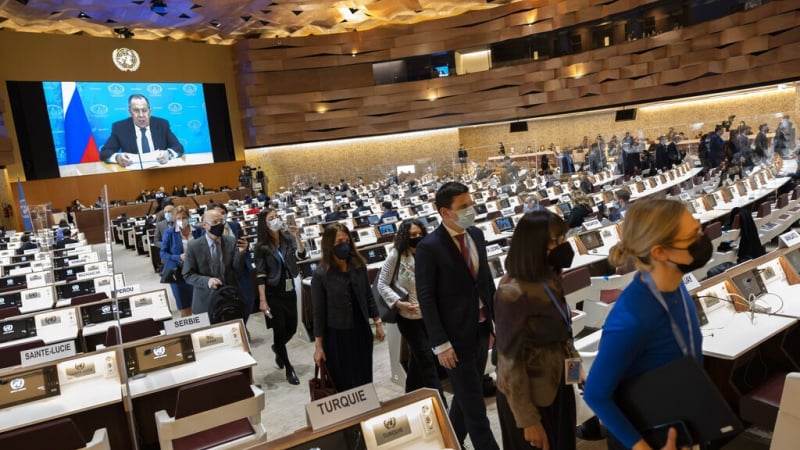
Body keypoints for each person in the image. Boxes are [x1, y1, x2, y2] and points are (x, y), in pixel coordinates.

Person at [584, 199, 710, 450]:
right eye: (693, 236)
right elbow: (595, 395)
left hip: (680, 420)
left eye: (699, 228)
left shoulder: (676, 285)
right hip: (650, 437)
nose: (702, 238)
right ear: (660, 252)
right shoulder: (630, 319)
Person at [416, 182, 500, 450]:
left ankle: (450, 441)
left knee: (466, 395)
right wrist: (440, 344)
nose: (470, 210)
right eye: (463, 207)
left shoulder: (475, 234)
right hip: (454, 339)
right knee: (476, 407)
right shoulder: (429, 247)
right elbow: (426, 298)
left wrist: (497, 322)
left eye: (470, 203)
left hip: (482, 329)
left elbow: (485, 282)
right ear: (445, 212)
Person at [495, 210, 579, 450]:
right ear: (535, 245)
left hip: (557, 386)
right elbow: (509, 362)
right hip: (529, 397)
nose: (564, 245)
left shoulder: (550, 277)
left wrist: (575, 372)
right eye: (557, 240)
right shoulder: (512, 292)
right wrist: (528, 420)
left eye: (565, 237)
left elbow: (564, 332)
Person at [311, 223, 385, 391]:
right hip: (337, 335)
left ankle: (366, 411)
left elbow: (368, 295)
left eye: (347, 240)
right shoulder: (321, 274)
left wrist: (378, 323)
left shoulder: (358, 266)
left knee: (364, 376)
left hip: (361, 331)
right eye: (339, 242)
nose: (344, 245)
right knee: (344, 381)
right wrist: (318, 346)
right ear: (329, 245)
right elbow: (318, 313)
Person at [377, 219, 445, 400]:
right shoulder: (396, 255)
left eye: (419, 234)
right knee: (427, 359)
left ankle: (411, 392)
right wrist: (399, 303)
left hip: (429, 314)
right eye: (412, 235)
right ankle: (441, 403)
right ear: (404, 237)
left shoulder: (429, 253)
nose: (417, 238)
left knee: (418, 356)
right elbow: (382, 284)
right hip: (407, 317)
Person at [255, 208, 307, 386]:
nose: (276, 220)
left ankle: (277, 347)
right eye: (271, 218)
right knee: (279, 328)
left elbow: (301, 255)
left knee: (292, 327)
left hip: (289, 288)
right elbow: (260, 274)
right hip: (273, 292)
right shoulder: (261, 246)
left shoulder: (287, 238)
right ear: (265, 223)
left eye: (277, 217)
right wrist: (262, 300)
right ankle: (289, 368)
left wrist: (298, 236)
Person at [182, 209, 248, 315]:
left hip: (230, 298)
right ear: (204, 225)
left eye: (221, 221)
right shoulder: (194, 246)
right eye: (215, 222)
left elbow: (236, 269)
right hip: (205, 301)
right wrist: (207, 281)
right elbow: (187, 275)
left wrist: (241, 253)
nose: (219, 225)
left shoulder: (231, 241)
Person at [99, 94, 184, 167]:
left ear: (150, 112)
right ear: (130, 112)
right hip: (134, 176)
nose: (141, 115)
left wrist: (168, 154)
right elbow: (105, 152)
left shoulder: (162, 124)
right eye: (136, 111)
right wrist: (118, 157)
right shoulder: (120, 128)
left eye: (144, 110)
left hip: (159, 172)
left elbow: (178, 147)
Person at [212, 203, 255, 323]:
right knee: (229, 302)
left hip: (241, 267)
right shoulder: (211, 230)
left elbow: (243, 243)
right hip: (224, 271)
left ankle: (243, 323)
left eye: (223, 212)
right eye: (217, 213)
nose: (221, 215)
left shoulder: (235, 226)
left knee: (249, 299)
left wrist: (245, 249)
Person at [161, 206, 195, 317]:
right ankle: (188, 333)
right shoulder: (169, 233)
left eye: (184, 217)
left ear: (189, 217)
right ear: (175, 219)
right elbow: (163, 253)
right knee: (185, 308)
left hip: (197, 272)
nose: (181, 220)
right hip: (178, 275)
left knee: (201, 306)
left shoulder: (198, 231)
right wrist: (178, 257)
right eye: (178, 218)